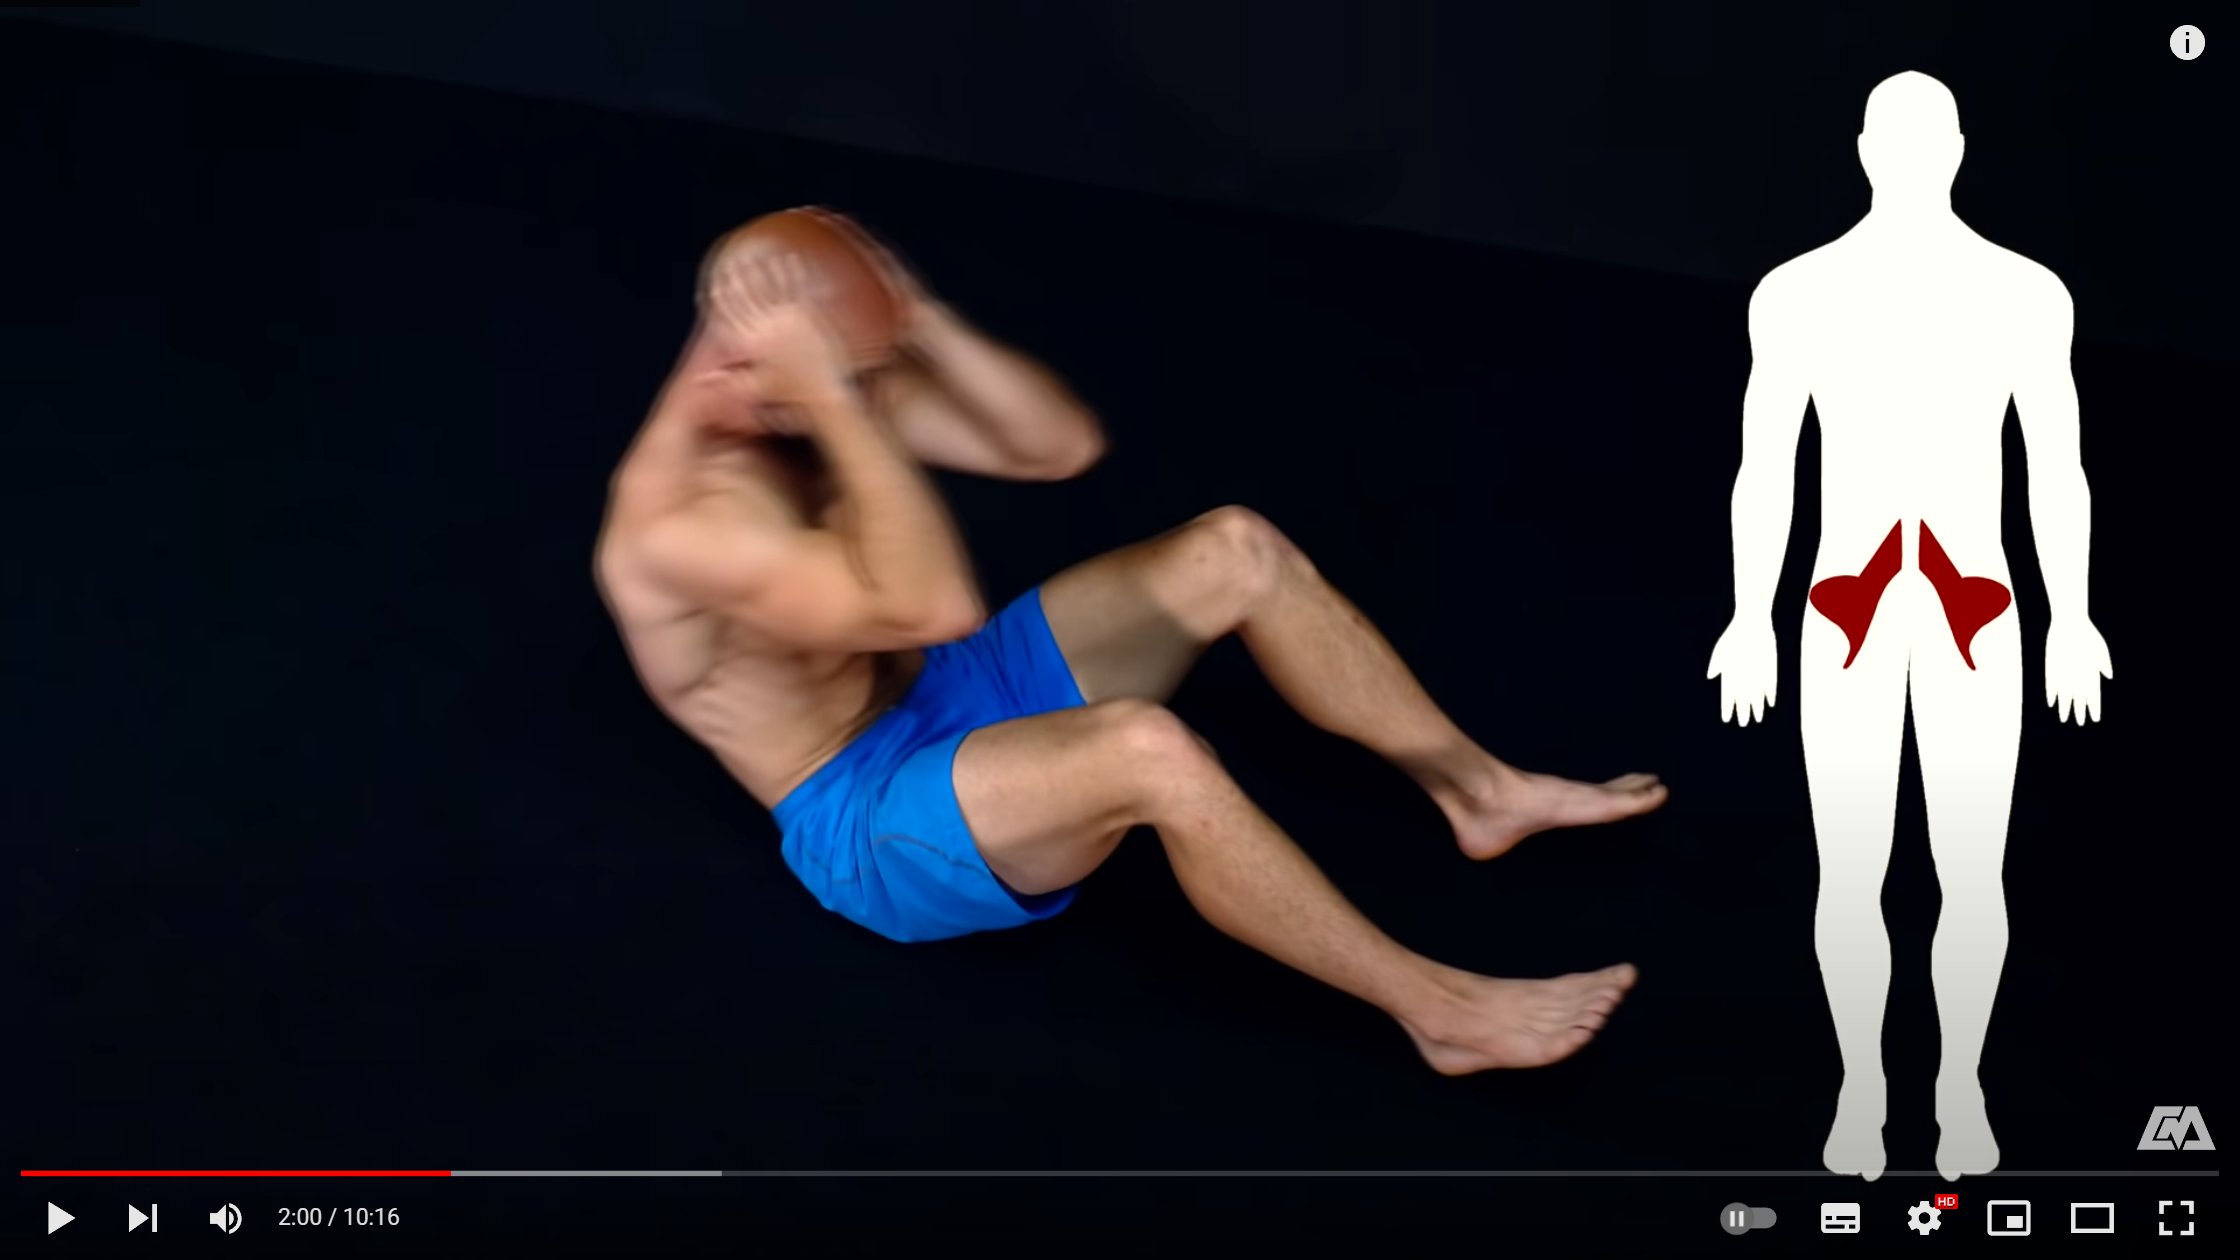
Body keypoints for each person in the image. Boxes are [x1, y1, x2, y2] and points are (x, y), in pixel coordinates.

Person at [595, 225, 1667, 1074]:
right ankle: (1440, 1013)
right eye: (846, 371)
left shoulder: (803, 401)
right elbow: (937, 604)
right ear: (757, 356)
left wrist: (918, 318)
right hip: (872, 810)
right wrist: (836, 396)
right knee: (1149, 752)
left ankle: (1481, 794)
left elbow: (1056, 446)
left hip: (957, 690)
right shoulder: (682, 519)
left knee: (1234, 548)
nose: (869, 386)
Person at [1706, 72, 2113, 1178]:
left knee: (1970, 874)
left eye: (1925, 138)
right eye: (1897, 137)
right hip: (1844, 607)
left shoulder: (2024, 296)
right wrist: (1749, 615)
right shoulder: (1797, 295)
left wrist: (2072, 616)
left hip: (1976, 609)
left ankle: (1959, 1087)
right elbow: (1765, 468)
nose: (1911, 155)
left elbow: (2057, 470)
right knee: (1851, 874)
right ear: (1865, 151)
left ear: (1955, 151)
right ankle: (1861, 1089)